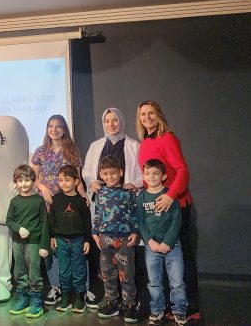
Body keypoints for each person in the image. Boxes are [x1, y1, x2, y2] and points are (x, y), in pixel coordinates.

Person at [136, 100, 199, 320]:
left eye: (151, 113)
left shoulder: (167, 138)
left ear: (159, 115)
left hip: (175, 206)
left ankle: (188, 309)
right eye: (143, 114)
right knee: (157, 263)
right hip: (155, 210)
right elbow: (148, 176)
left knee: (180, 262)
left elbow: (182, 170)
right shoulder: (145, 142)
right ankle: (165, 308)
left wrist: (171, 195)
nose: (147, 117)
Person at [83, 107, 144, 308]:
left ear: (122, 121)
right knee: (106, 265)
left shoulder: (134, 146)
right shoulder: (95, 146)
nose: (111, 124)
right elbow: (87, 171)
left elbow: (142, 173)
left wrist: (134, 184)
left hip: (125, 213)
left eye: (115, 120)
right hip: (104, 211)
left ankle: (130, 301)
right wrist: (91, 181)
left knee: (127, 266)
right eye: (107, 121)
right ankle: (110, 298)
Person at [31, 114, 85, 305]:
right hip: (46, 202)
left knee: (74, 245)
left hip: (68, 204)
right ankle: (55, 287)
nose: (54, 130)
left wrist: (83, 196)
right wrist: (44, 189)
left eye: (58, 126)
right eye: (50, 126)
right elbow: (34, 178)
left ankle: (79, 289)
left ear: (64, 129)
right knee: (52, 243)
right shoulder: (40, 151)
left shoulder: (72, 151)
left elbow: (78, 179)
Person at [138, 159, 187, 326]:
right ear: (143, 176)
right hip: (151, 247)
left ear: (164, 176)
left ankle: (179, 311)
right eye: (147, 173)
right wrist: (149, 241)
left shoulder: (169, 196)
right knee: (154, 282)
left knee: (177, 283)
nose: (151, 177)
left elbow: (177, 221)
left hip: (172, 247)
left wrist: (168, 242)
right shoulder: (142, 196)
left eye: (155, 173)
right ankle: (157, 309)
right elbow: (141, 222)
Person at [92, 156, 139, 323]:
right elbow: (97, 213)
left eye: (113, 173)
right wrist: (95, 232)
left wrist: (135, 231)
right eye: (105, 174)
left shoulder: (129, 192)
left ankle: (130, 305)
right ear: (101, 174)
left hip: (124, 239)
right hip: (105, 238)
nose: (110, 177)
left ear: (120, 172)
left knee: (127, 273)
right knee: (107, 272)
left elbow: (135, 213)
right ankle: (111, 302)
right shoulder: (100, 192)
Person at [7, 165, 50, 319]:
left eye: (27, 180)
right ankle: (23, 299)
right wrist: (18, 228)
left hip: (34, 242)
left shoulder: (39, 200)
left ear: (33, 180)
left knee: (34, 272)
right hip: (17, 242)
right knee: (19, 271)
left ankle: (37, 303)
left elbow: (45, 223)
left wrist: (44, 245)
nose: (24, 184)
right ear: (16, 182)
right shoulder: (14, 201)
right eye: (20, 180)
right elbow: (9, 220)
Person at [49, 165, 91, 314]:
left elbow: (87, 222)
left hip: (78, 240)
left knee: (79, 269)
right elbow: (52, 220)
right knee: (64, 270)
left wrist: (87, 240)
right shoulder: (56, 199)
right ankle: (66, 296)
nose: (63, 183)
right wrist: (52, 236)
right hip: (61, 240)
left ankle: (79, 297)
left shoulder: (81, 200)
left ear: (76, 181)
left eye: (67, 180)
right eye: (60, 180)